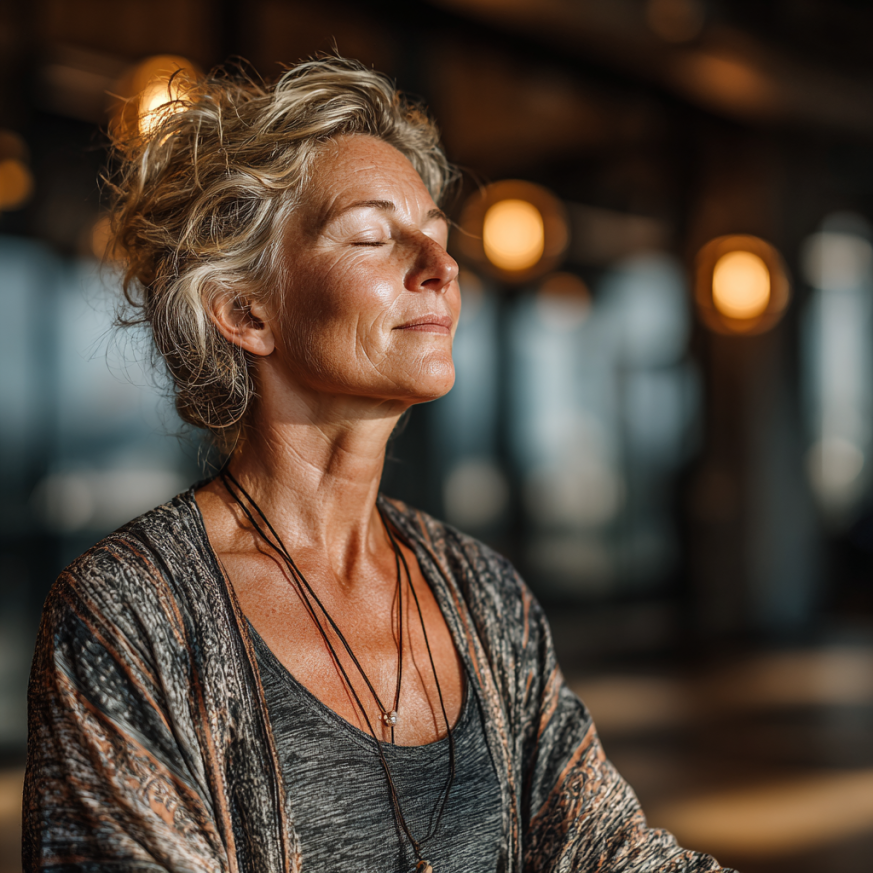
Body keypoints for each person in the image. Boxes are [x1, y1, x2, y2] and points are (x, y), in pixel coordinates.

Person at [23, 56, 734, 873]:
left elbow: (611, 854)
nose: (440, 264)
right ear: (246, 311)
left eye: (435, 232)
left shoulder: (483, 594)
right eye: (371, 235)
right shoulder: (128, 616)